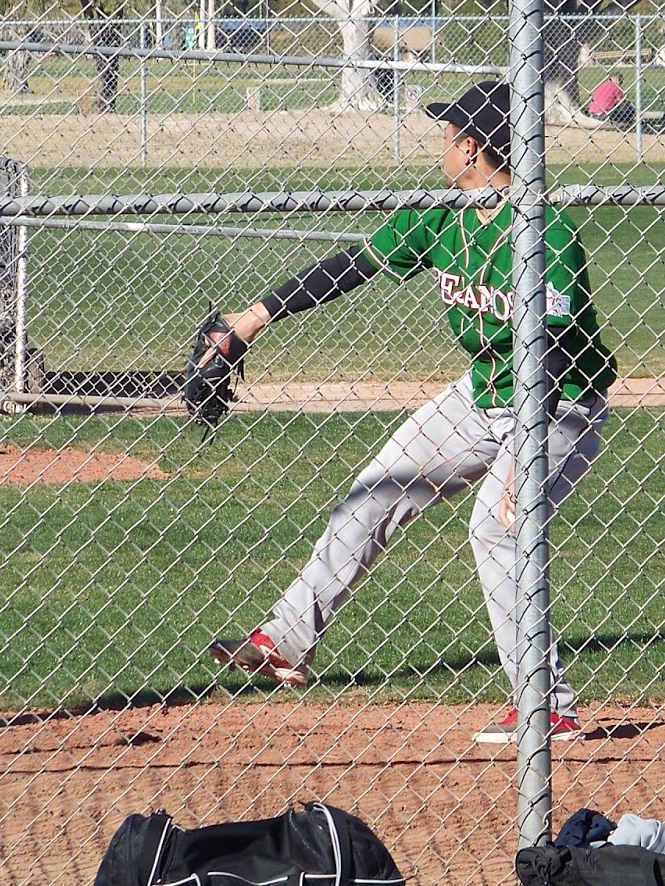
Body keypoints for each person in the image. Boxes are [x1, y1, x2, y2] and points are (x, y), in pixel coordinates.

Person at [200, 79, 617, 743]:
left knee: (497, 529)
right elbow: (352, 266)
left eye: (447, 133)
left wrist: (523, 463)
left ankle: (548, 706)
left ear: (473, 150)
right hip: (482, 393)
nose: (440, 144)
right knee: (375, 489)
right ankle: (284, 639)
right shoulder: (446, 218)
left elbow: (558, 350)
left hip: (558, 407)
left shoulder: (543, 233)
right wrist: (252, 320)